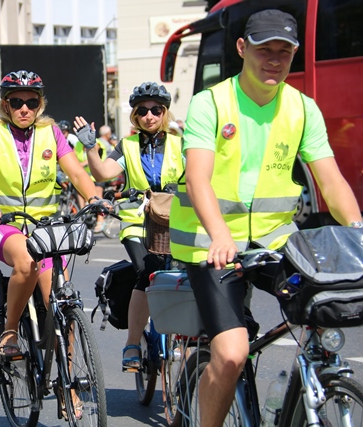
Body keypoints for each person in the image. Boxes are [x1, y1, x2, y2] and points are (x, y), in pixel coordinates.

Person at [169, 9, 363, 426]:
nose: (275, 60)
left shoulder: (302, 108)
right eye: (265, 50)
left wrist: (358, 236)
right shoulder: (210, 103)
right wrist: (220, 234)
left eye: (284, 51)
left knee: (325, 309)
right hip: (210, 245)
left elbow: (331, 182)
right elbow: (199, 179)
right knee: (233, 353)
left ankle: (303, 395)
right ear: (242, 49)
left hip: (275, 240)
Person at [0, 70, 102, 366]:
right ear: (5, 105)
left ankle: (69, 379)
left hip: (45, 229)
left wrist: (94, 198)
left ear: (40, 104)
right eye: (16, 102)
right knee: (27, 262)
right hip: (3, 226)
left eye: (31, 102)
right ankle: (10, 331)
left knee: (61, 299)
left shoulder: (51, 132)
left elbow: (77, 172)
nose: (24, 108)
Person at [74, 81, 184, 372]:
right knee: (147, 272)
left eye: (156, 110)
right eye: (143, 111)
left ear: (165, 113)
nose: (149, 116)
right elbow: (103, 173)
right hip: (138, 221)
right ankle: (132, 343)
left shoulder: (180, 143)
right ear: (135, 115)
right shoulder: (128, 145)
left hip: (176, 220)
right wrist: (90, 148)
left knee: (186, 275)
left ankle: (183, 336)